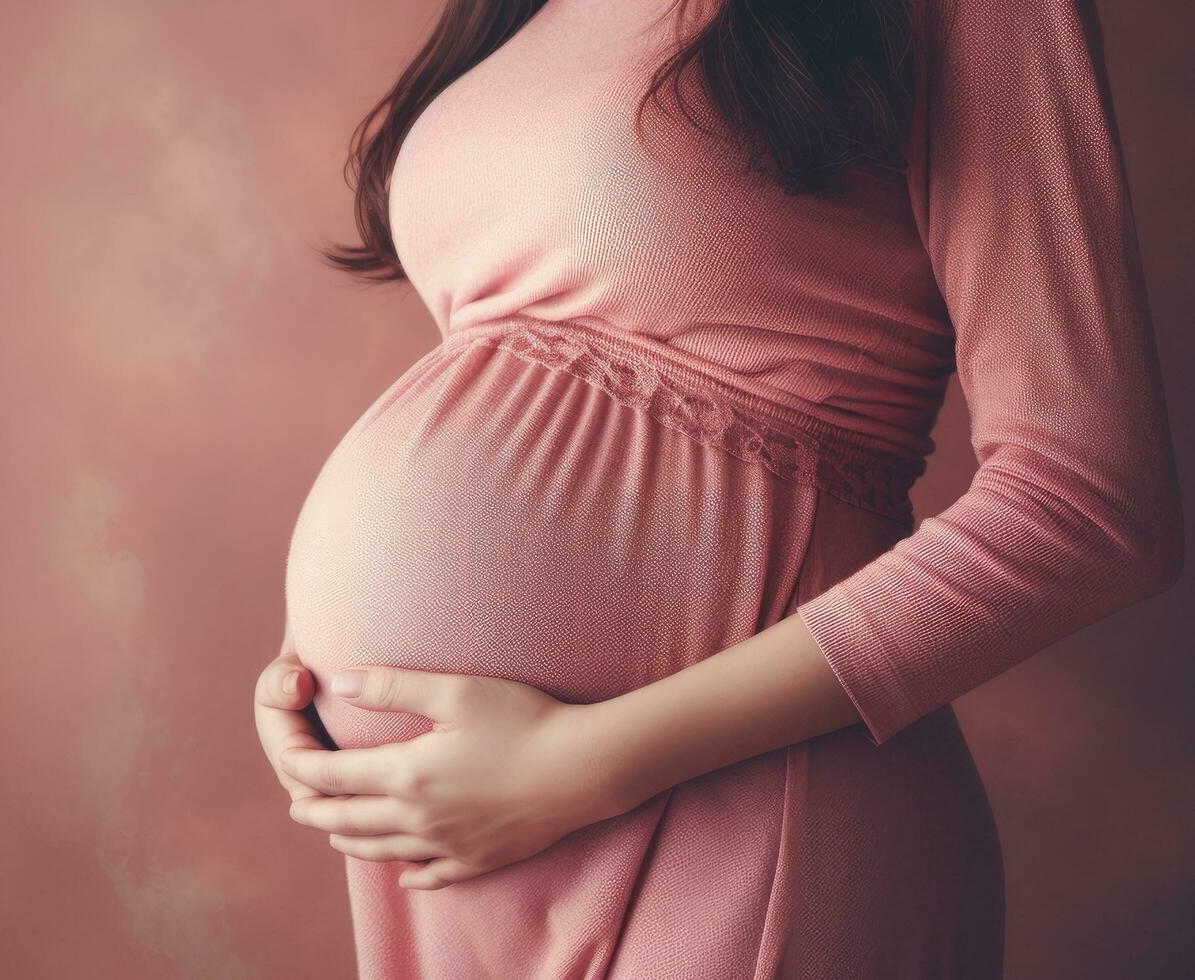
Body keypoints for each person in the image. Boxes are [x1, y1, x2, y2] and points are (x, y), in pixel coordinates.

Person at [249, 0, 1182, 976]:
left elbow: (1086, 502)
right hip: (455, 856)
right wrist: (325, 690)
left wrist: (591, 761)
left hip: (745, 828)